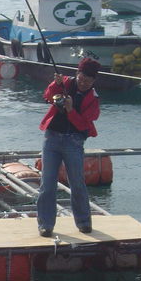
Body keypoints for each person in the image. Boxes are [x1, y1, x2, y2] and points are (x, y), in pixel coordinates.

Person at [37, 57, 101, 237]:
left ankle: (83, 222)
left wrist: (71, 110)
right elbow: (48, 96)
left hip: (74, 141)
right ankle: (45, 224)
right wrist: (56, 85)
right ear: (77, 74)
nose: (83, 83)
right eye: (81, 78)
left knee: (77, 183)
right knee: (47, 184)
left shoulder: (93, 99)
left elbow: (83, 125)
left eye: (88, 81)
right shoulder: (64, 82)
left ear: (94, 81)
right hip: (52, 139)